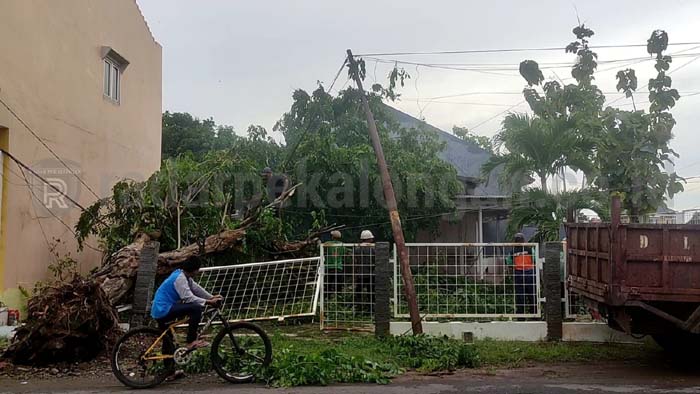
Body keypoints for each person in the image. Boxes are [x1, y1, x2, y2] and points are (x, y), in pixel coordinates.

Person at [151, 257, 223, 350]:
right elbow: (189, 298)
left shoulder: (184, 276)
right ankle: (191, 341)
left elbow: (196, 288)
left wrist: (211, 297)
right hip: (163, 309)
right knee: (195, 308)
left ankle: (169, 363)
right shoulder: (180, 279)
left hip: (161, 309)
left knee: (168, 341)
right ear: (194, 270)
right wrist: (208, 302)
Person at [510, 233, 536, 315]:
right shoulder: (529, 249)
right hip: (529, 273)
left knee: (520, 295)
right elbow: (535, 259)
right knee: (532, 294)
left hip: (518, 274)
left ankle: (521, 316)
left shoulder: (512, 251)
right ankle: (534, 314)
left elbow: (509, 262)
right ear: (523, 240)